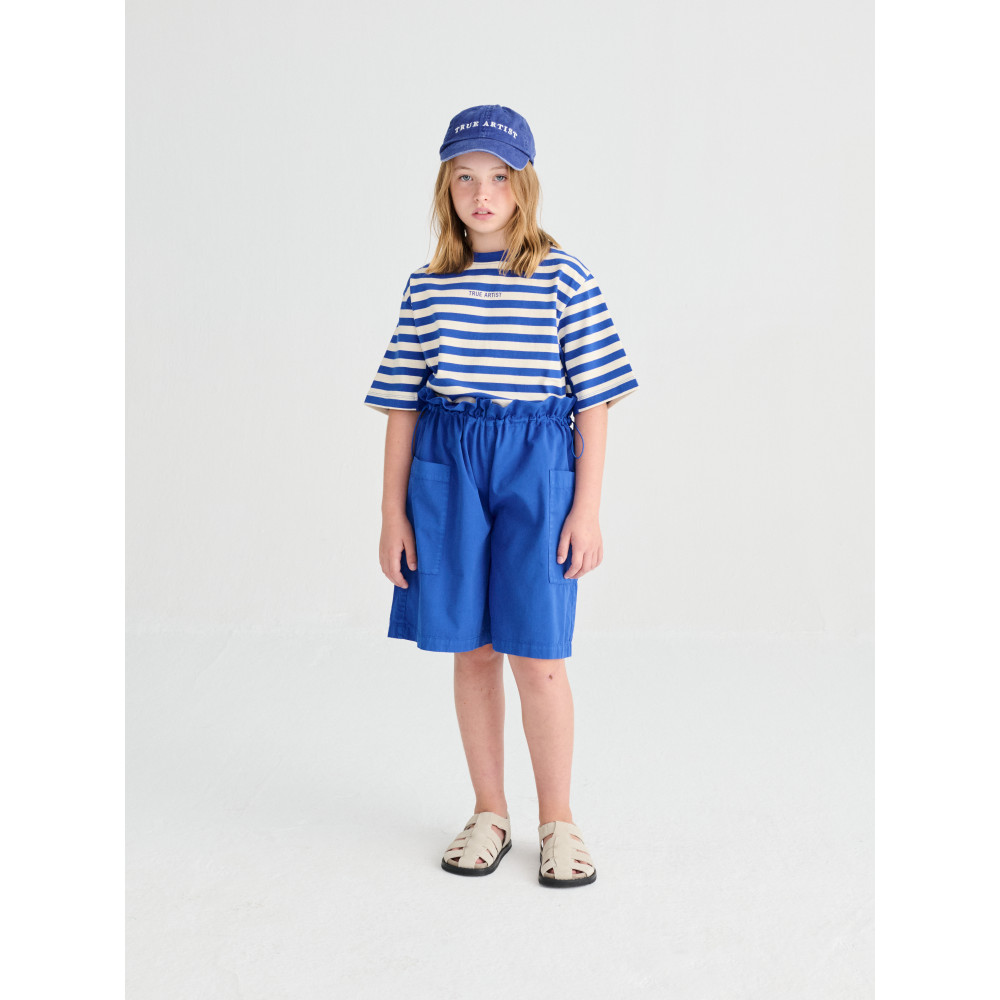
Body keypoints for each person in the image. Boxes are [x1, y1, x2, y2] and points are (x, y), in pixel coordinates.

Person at [364, 105, 638, 887]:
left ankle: (560, 821)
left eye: (498, 177)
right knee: (473, 650)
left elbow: (594, 398)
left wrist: (586, 508)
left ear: (525, 186)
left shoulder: (562, 277)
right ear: (446, 189)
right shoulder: (428, 287)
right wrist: (392, 513)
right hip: (450, 468)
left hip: (536, 466)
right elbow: (402, 404)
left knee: (539, 654)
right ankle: (490, 811)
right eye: (464, 178)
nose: (481, 194)